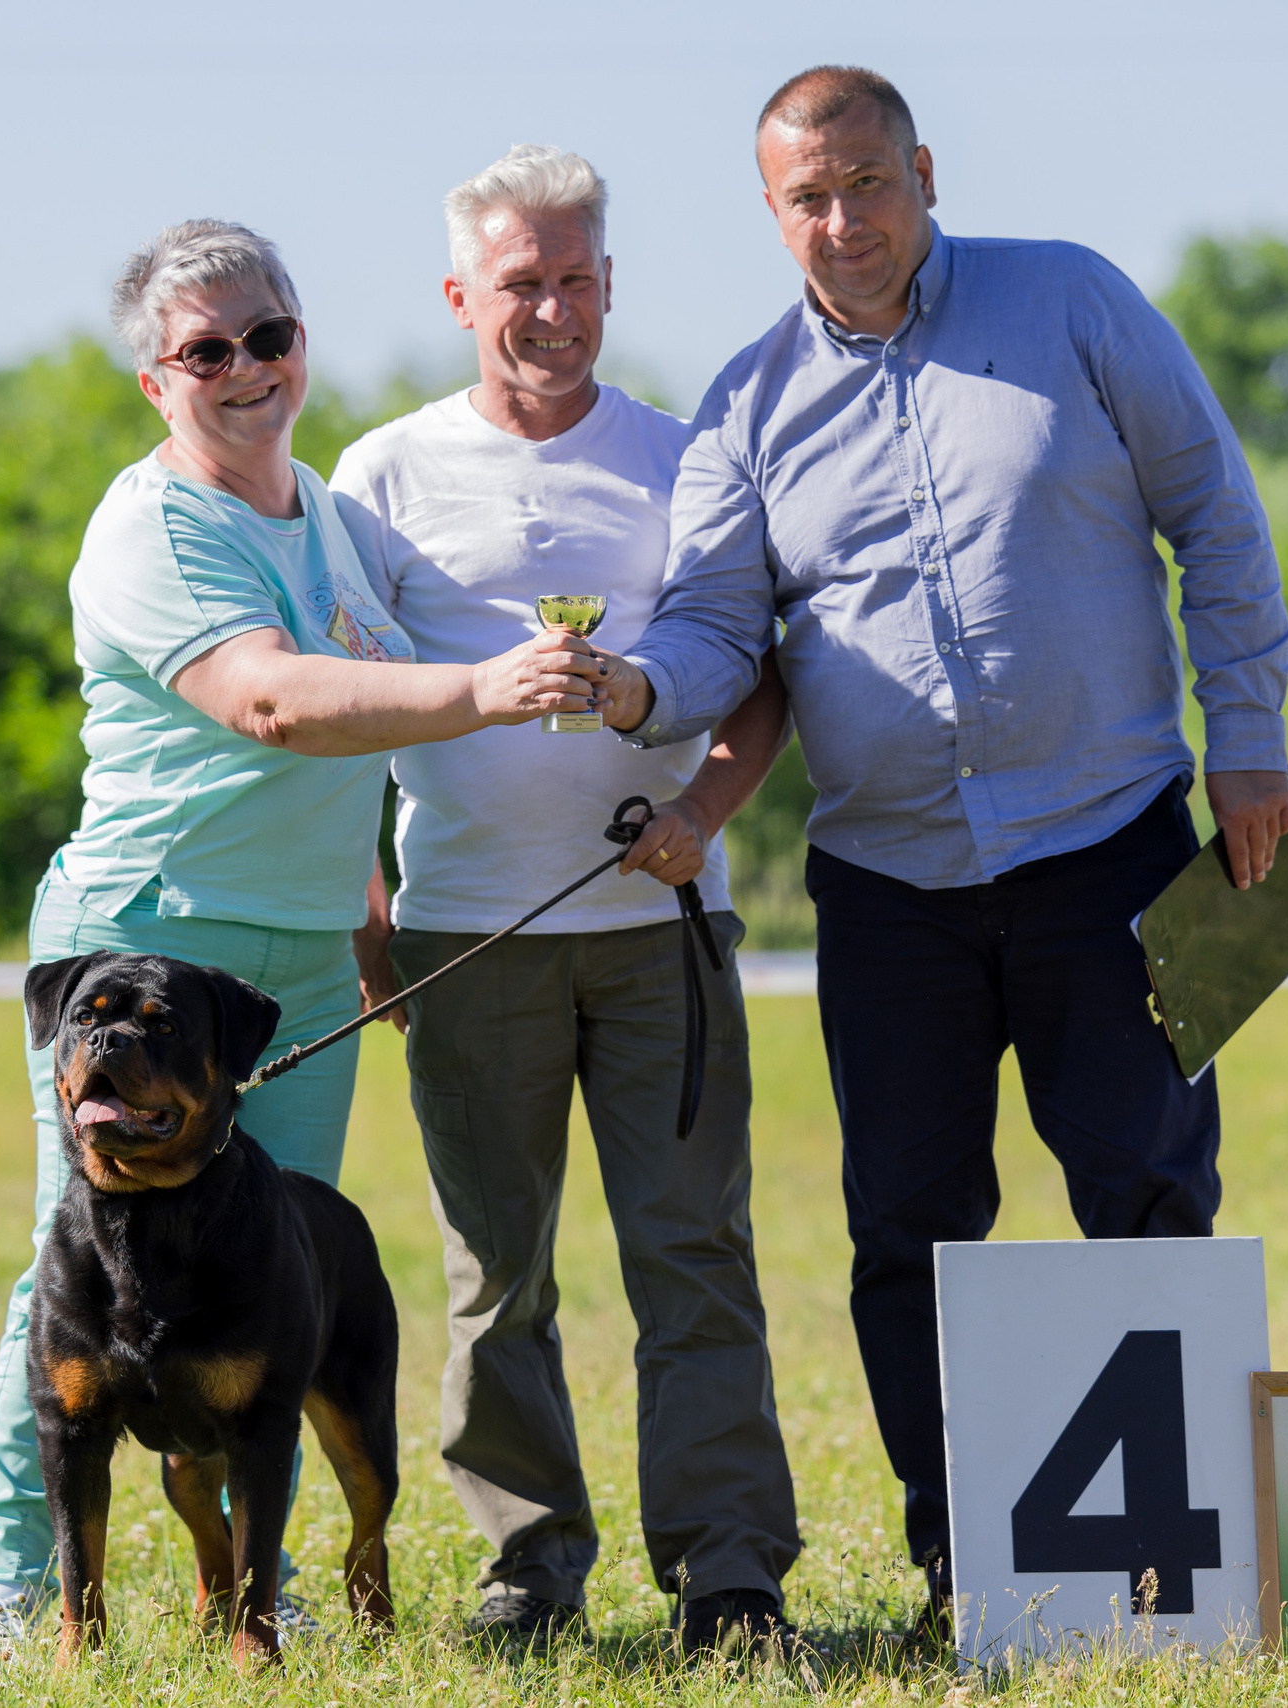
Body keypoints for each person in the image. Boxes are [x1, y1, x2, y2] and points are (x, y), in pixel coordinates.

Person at [590, 67, 1288, 1631]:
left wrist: (1247, 738)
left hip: (1112, 845)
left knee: (1148, 1193)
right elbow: (718, 624)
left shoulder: (1076, 303)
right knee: (907, 1228)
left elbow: (1218, 519)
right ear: (770, 211)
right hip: (887, 885)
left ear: (922, 169)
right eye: (806, 198)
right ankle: (961, 1564)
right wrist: (642, 689)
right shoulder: (747, 404)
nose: (841, 221)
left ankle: (1187, 1579)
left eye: (866, 183)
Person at [0, 218, 605, 1667]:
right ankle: (16, 1591)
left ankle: (259, 1588)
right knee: (72, 1273)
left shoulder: (331, 512)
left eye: (270, 335)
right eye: (206, 351)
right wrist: (493, 690)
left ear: (302, 341)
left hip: (302, 962)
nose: (245, 369)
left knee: (278, 1290)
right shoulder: (152, 526)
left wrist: (368, 917)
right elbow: (272, 704)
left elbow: (345, 749)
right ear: (154, 381)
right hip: (145, 941)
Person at [328, 145, 803, 1654]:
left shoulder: (688, 457)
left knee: (697, 1263)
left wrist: (703, 813)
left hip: (662, 933)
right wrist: (367, 902)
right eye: (520, 284)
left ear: (612, 284)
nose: (551, 309)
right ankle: (528, 1570)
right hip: (468, 934)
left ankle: (730, 1579)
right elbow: (344, 699)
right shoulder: (382, 472)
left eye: (577, 280)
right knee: (496, 1278)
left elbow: (766, 677)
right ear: (463, 294)